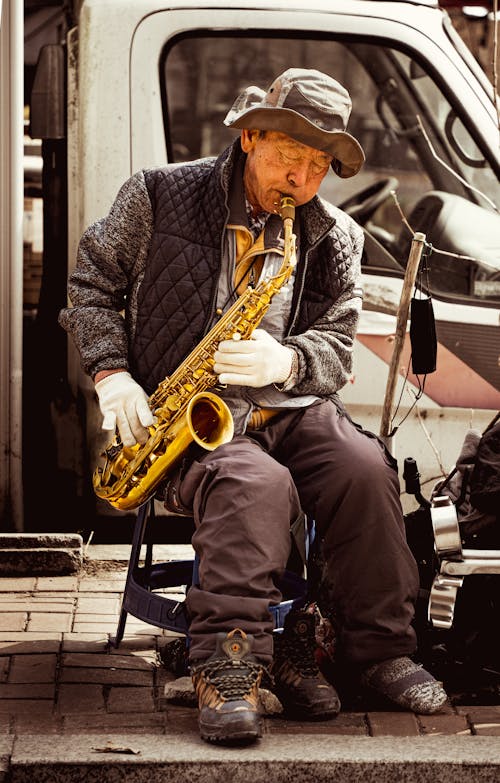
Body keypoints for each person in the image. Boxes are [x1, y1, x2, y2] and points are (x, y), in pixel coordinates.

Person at [59, 68, 449, 745]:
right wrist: (113, 374)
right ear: (250, 138)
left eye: (318, 166)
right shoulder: (157, 195)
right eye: (287, 158)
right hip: (193, 425)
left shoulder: (334, 236)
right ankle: (229, 668)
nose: (300, 181)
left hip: (290, 406)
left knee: (365, 467)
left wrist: (289, 361)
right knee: (253, 483)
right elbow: (91, 283)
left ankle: (380, 651)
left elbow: (337, 343)